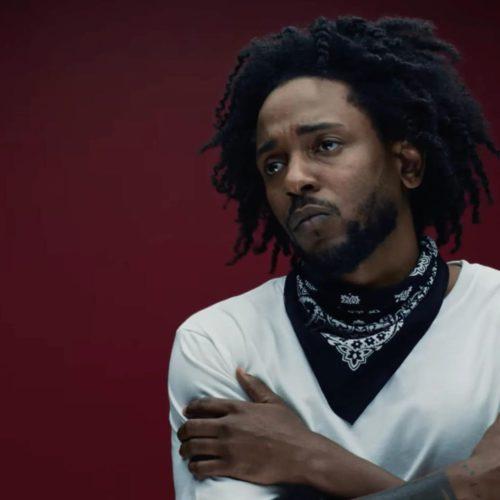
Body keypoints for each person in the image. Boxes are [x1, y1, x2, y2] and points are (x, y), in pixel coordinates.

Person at [168, 15, 500, 499]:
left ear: (407, 164)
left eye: (325, 145)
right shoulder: (221, 341)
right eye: (273, 164)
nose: (294, 179)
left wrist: (312, 459)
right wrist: (466, 486)